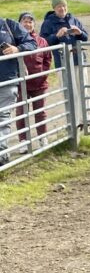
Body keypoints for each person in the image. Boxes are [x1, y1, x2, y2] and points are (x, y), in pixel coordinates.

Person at [0, 16, 37, 166]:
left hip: (7, 80)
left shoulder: (9, 25)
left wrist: (17, 49)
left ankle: (1, 157)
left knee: (2, 117)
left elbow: (31, 43)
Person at [15, 11, 51, 147]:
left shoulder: (42, 41)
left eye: (30, 21)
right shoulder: (15, 40)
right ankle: (23, 141)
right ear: (19, 24)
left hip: (39, 83)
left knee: (40, 112)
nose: (27, 24)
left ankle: (42, 138)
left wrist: (43, 75)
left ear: (34, 24)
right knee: (21, 113)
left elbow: (47, 59)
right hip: (20, 84)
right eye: (24, 21)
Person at [40, 0, 89, 67]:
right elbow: (43, 43)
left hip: (79, 61)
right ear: (54, 8)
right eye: (59, 6)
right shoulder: (48, 23)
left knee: (81, 79)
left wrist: (80, 33)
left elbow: (86, 38)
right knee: (66, 78)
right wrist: (57, 36)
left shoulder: (73, 19)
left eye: (64, 6)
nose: (62, 8)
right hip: (63, 64)